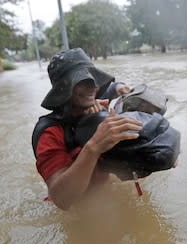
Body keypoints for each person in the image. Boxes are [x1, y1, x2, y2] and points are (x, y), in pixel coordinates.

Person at [32, 48, 142, 210]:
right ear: (64, 88)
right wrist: (93, 147)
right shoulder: (50, 133)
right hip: (79, 210)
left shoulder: (101, 108)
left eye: (93, 79)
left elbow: (114, 89)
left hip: (111, 200)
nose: (92, 87)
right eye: (82, 81)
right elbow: (62, 200)